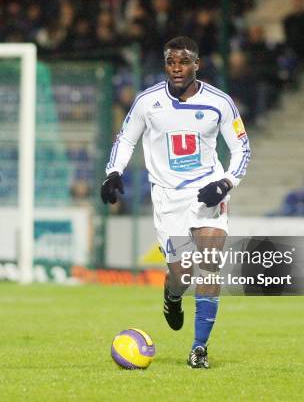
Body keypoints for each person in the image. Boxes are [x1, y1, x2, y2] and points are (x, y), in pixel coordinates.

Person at [101, 36, 251, 368]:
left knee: (209, 266)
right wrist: (113, 173)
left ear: (196, 64)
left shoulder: (220, 103)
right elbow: (126, 138)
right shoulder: (147, 101)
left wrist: (226, 183)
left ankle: (199, 348)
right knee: (181, 275)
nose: (177, 69)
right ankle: (172, 297)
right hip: (168, 199)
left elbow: (242, 148)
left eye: (184, 62)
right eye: (171, 62)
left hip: (208, 195)